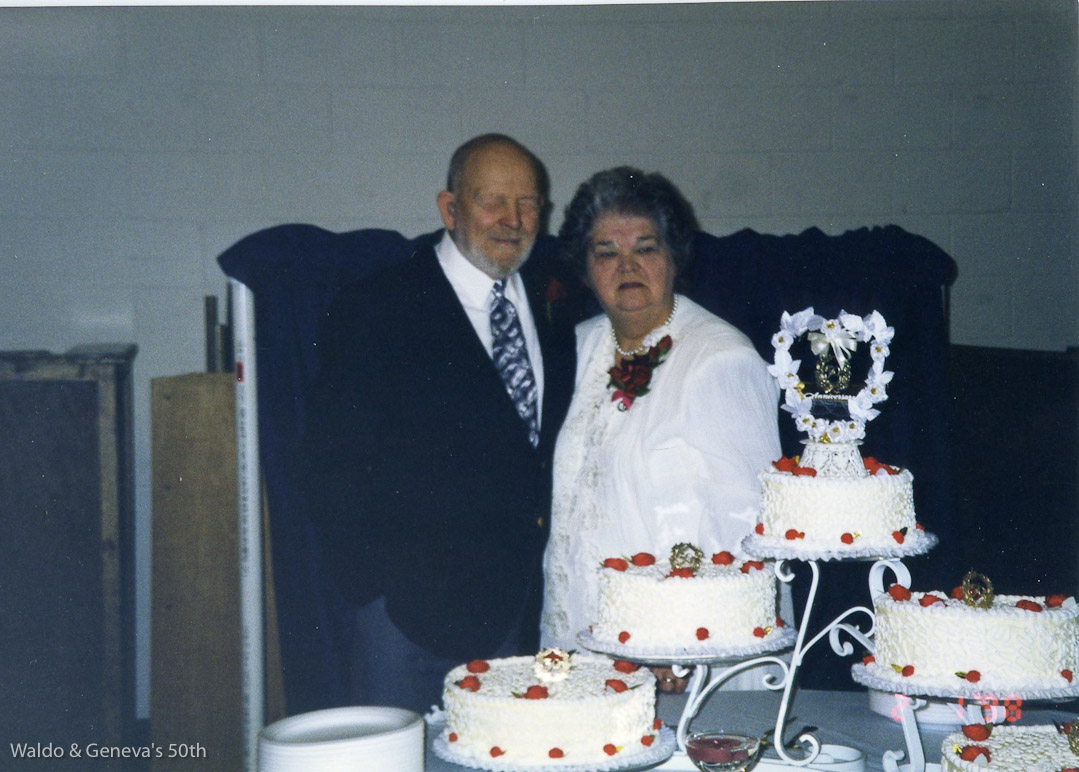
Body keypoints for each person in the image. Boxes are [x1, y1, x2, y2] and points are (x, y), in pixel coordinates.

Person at [301, 134, 578, 712]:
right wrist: (375, 595)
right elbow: (331, 464)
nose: (512, 220)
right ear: (449, 209)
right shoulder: (378, 307)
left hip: (518, 617)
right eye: (492, 201)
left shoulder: (558, 301)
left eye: (528, 203)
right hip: (407, 623)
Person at [539, 167, 782, 692]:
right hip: (577, 638)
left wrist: (684, 641)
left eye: (645, 248)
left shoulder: (720, 359)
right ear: (585, 268)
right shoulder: (574, 350)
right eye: (606, 252)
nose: (627, 265)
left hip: (680, 655)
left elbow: (752, 530)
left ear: (673, 257)